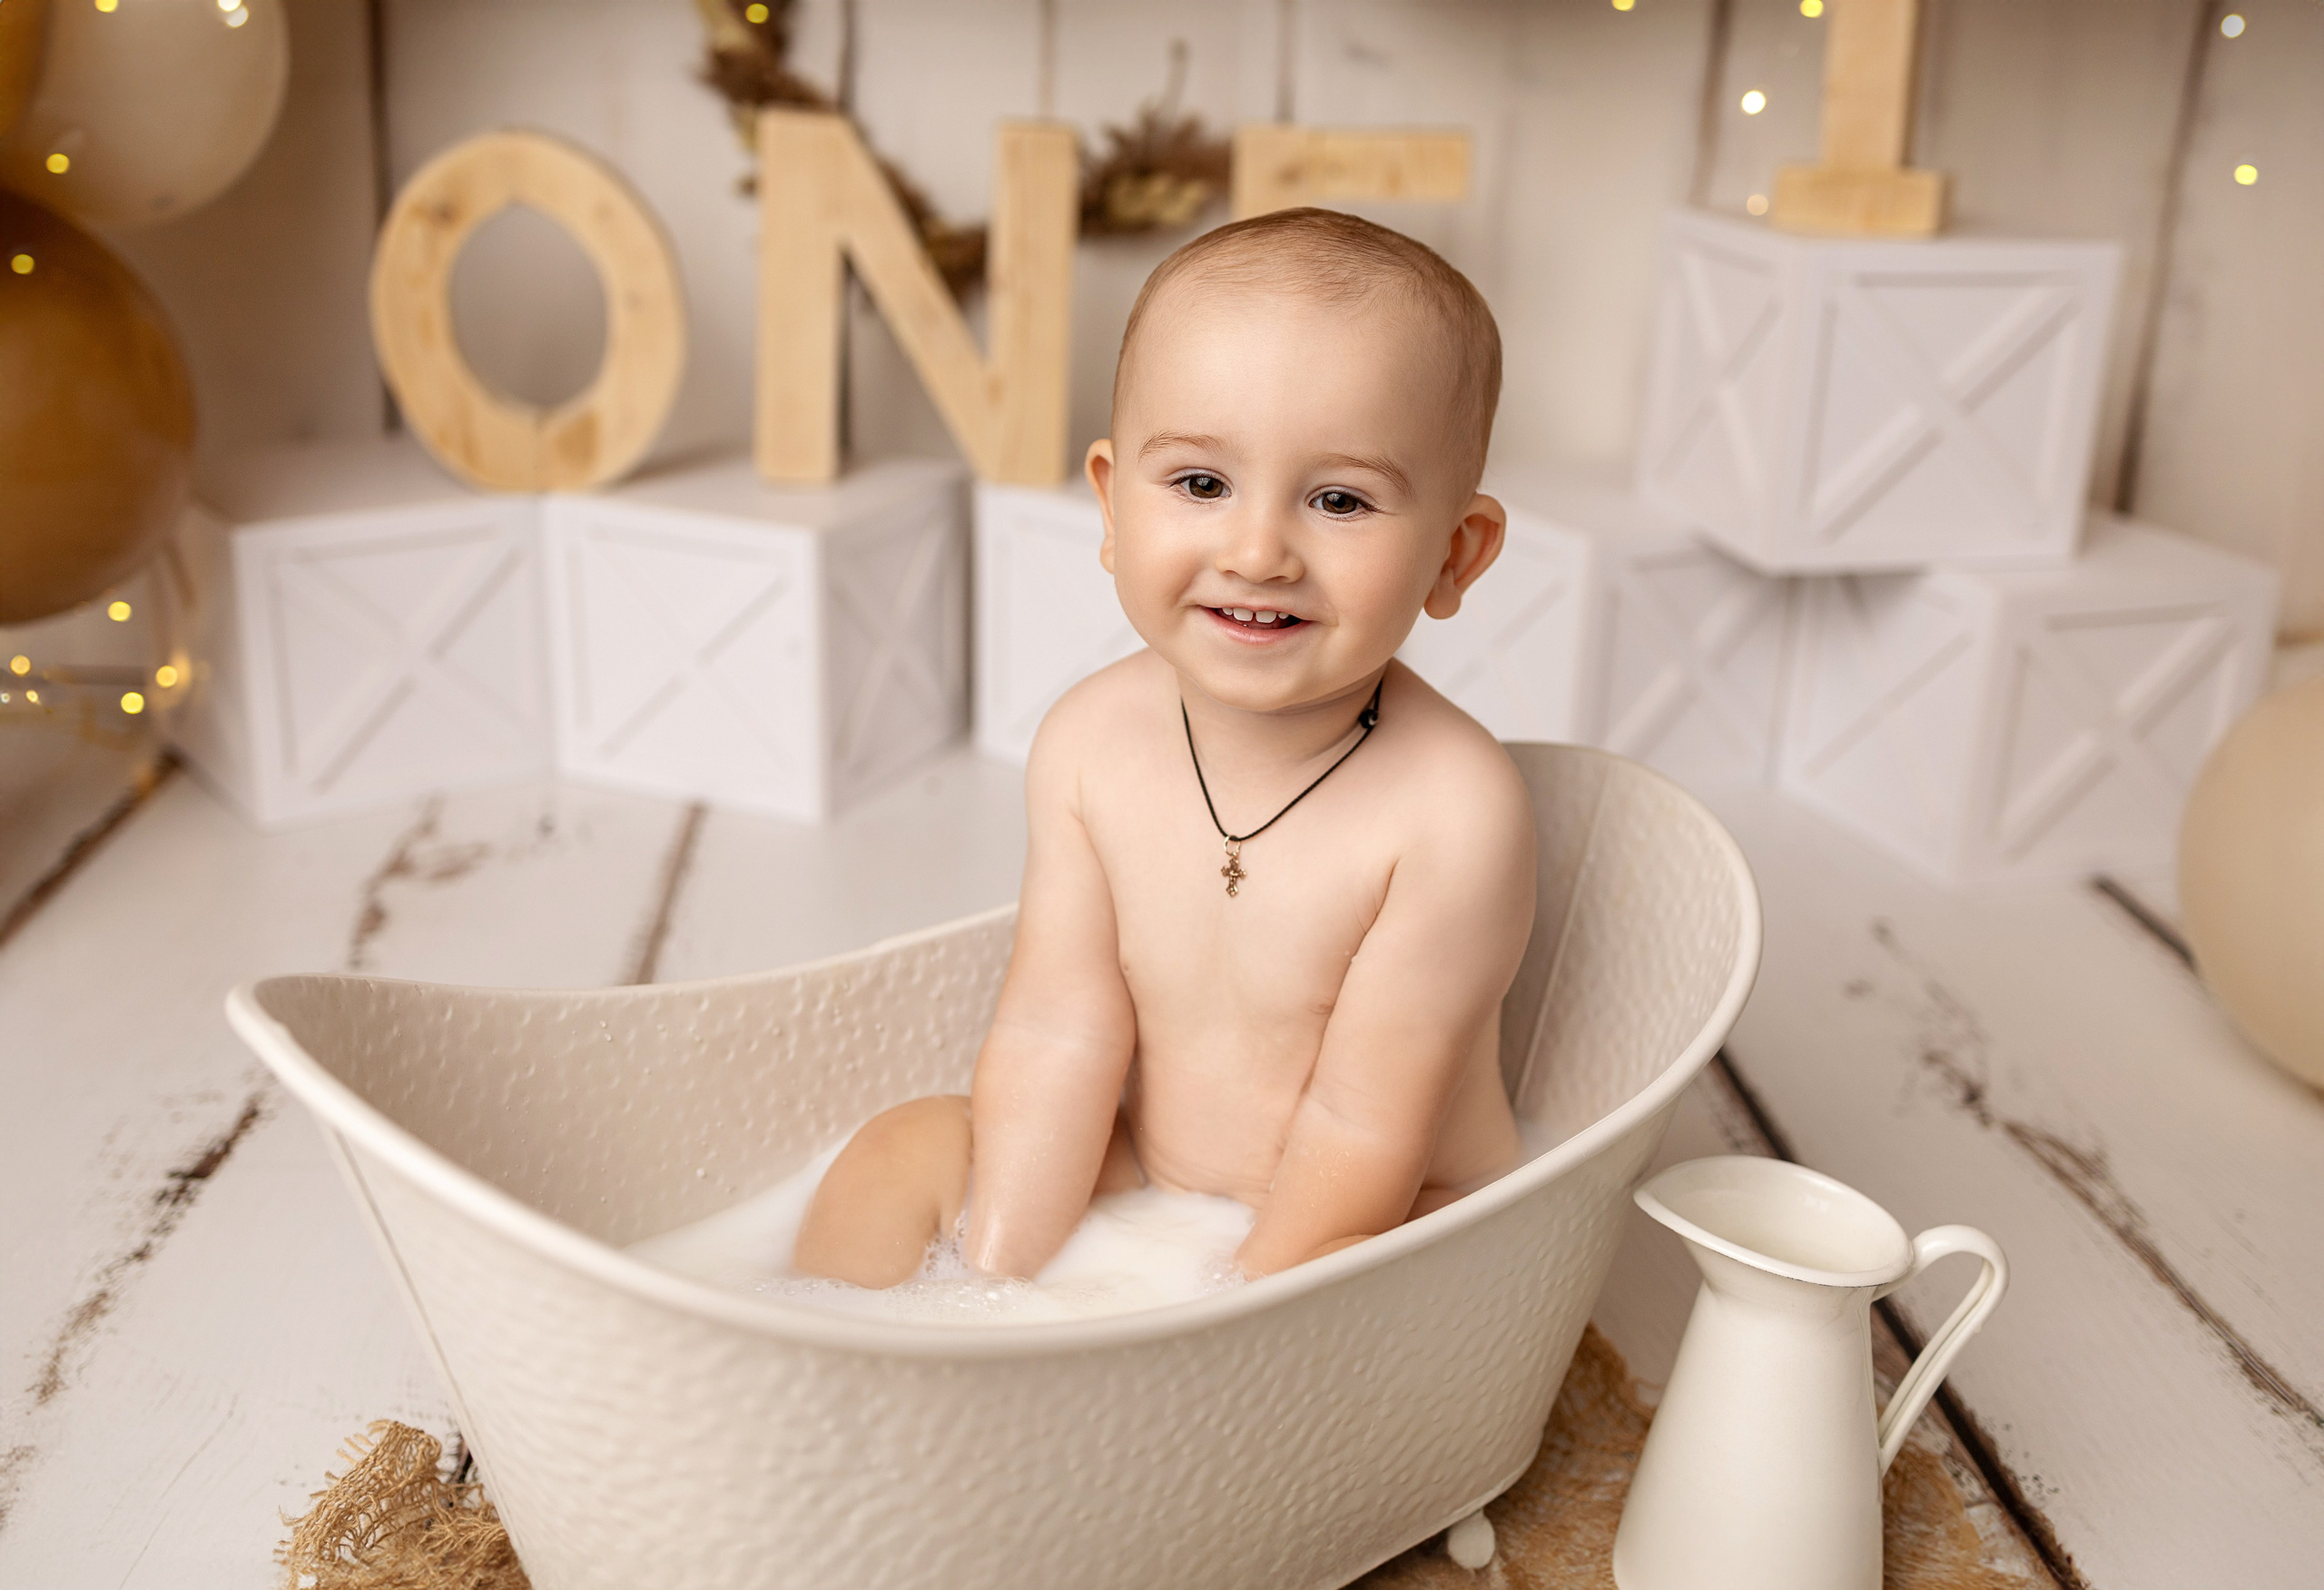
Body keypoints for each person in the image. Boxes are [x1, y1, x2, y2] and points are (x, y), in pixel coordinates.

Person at [793, 207, 1537, 1289]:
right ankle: (840, 1371)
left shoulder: (1452, 810)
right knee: (905, 1144)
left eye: (1339, 499)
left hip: (1372, 1216)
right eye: (1200, 483)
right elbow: (1059, 1031)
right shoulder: (1092, 742)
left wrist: (1208, 1323)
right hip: (1147, 1166)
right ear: (1109, 502)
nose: (1256, 550)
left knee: (1376, 1284)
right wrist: (994, 1288)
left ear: (1454, 555)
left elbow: (1359, 1126)